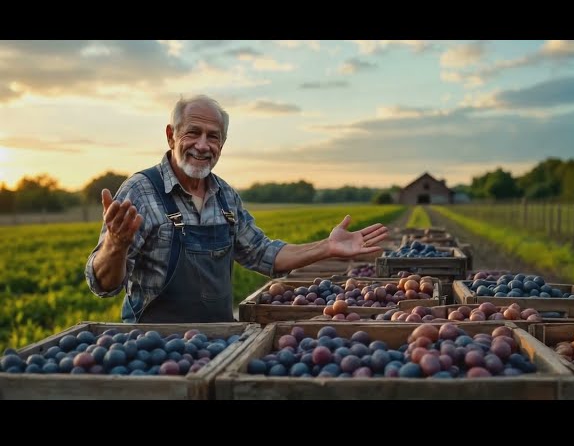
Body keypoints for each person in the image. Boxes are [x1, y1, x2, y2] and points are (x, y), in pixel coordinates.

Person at [85, 94, 389, 323]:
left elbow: (264, 254)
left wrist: (328, 246)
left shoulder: (225, 196)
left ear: (223, 143)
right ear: (170, 135)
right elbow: (103, 285)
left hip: (219, 343)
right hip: (156, 348)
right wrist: (115, 245)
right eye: (193, 132)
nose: (203, 145)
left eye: (213, 136)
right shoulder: (140, 191)